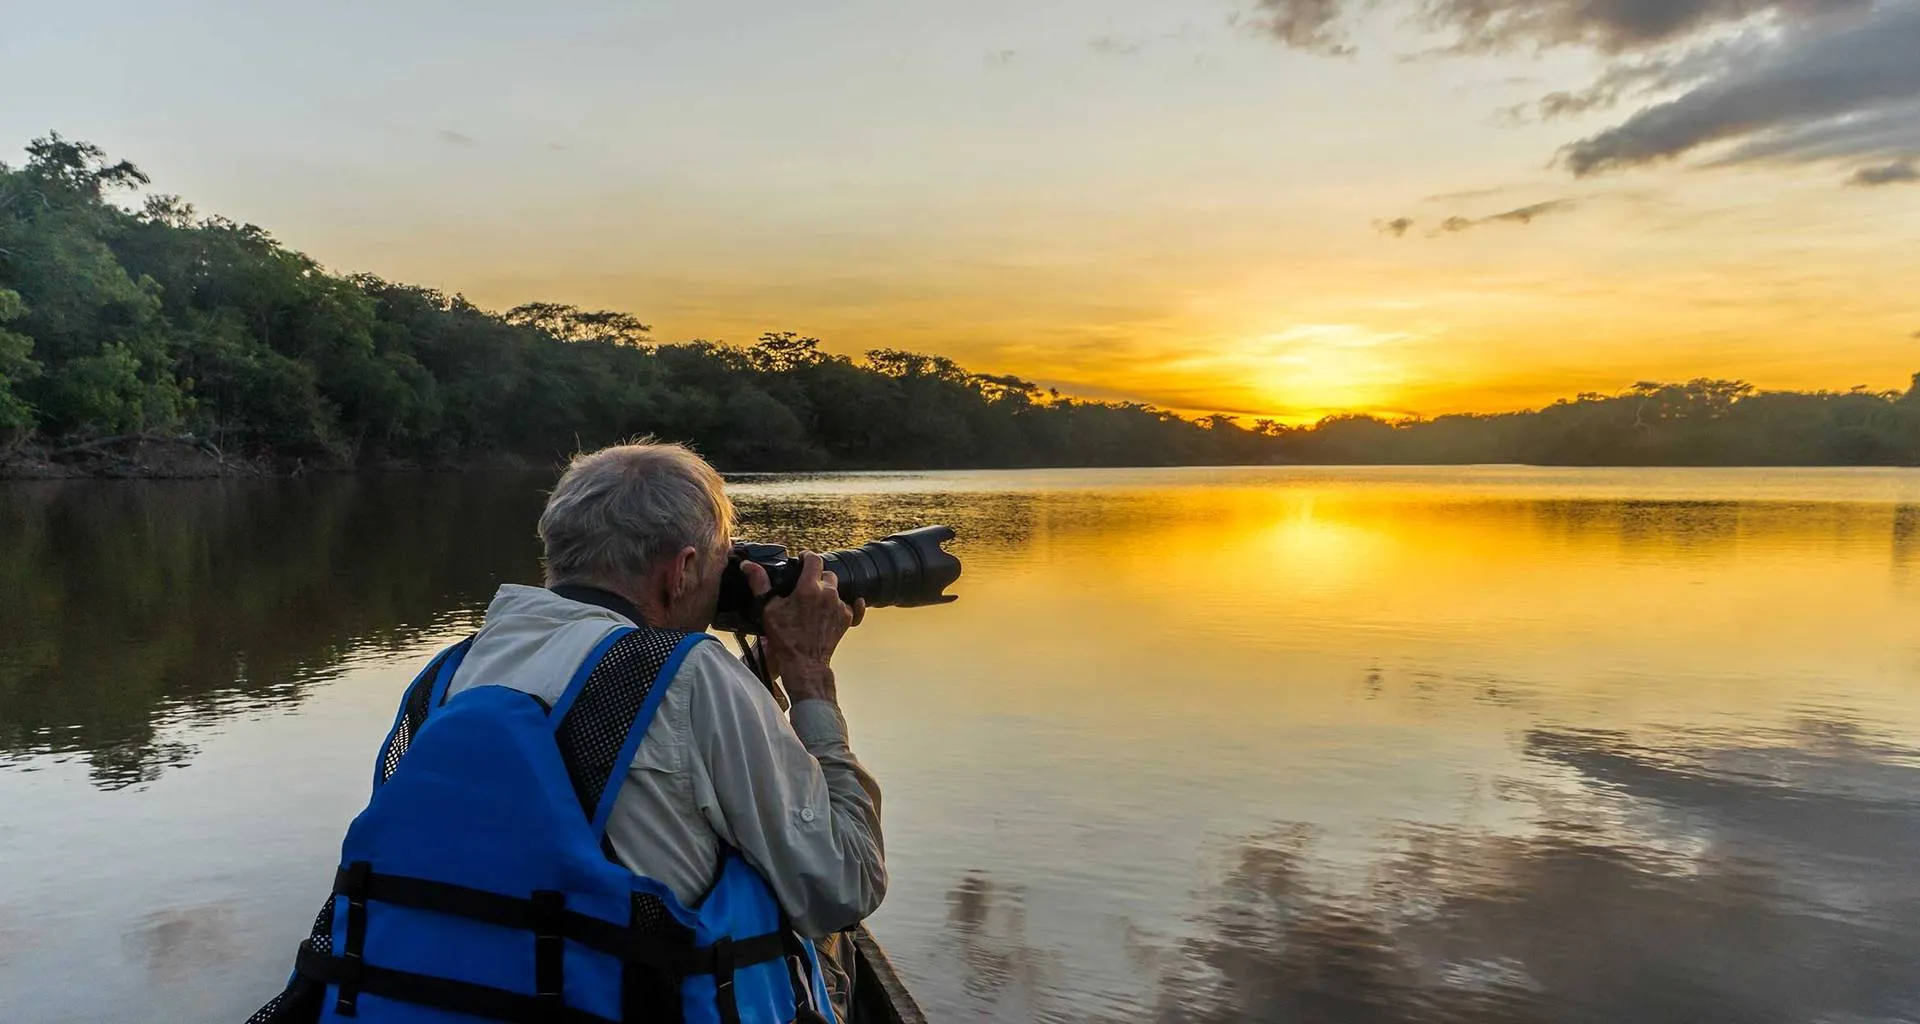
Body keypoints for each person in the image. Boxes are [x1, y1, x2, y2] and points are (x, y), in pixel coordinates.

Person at [250, 440, 884, 1024]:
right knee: (821, 935)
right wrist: (807, 678)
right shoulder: (692, 675)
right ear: (683, 570)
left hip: (457, 999)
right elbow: (843, 885)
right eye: (722, 565)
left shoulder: (448, 675)